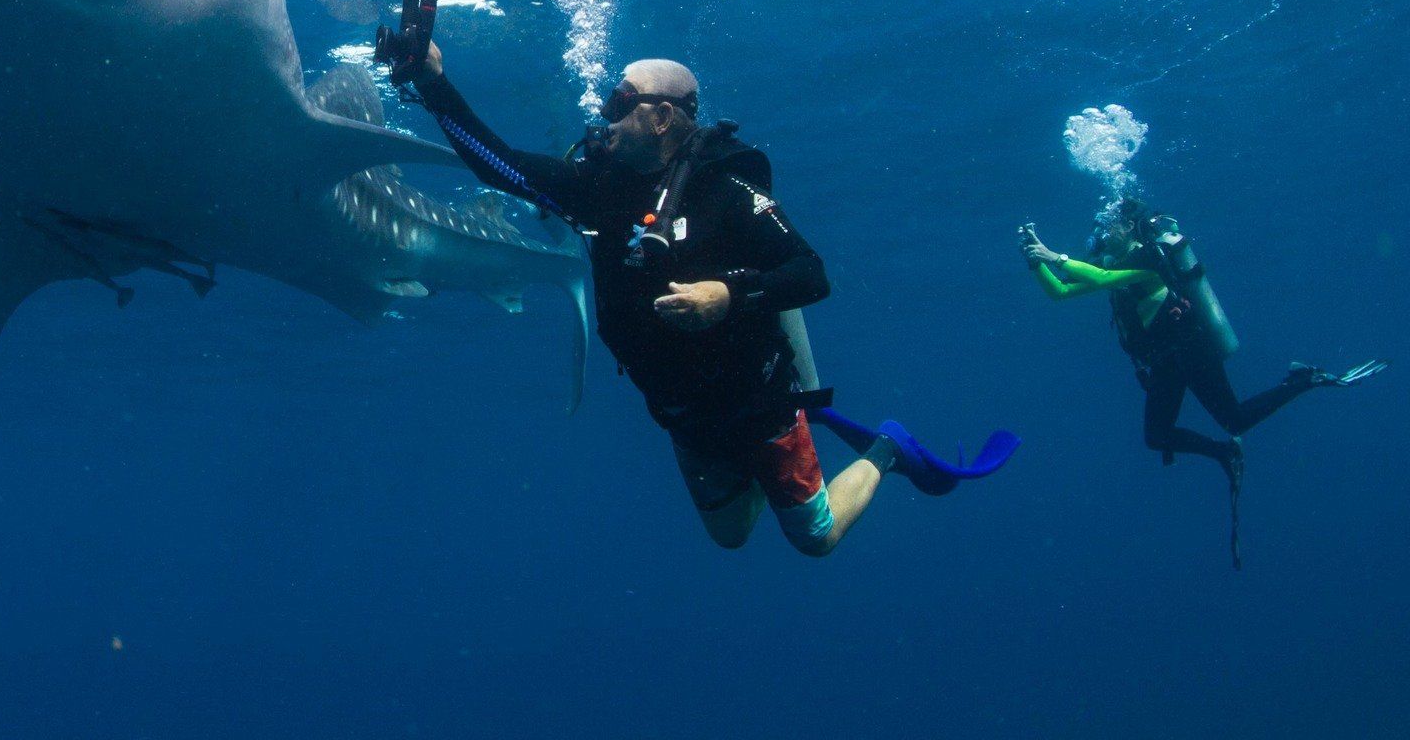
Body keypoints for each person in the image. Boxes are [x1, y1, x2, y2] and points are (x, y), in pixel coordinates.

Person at [403, 43, 1008, 555]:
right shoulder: (597, 190)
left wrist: (729, 294)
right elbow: (496, 165)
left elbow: (811, 274)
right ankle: (759, 474)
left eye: (619, 103)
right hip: (682, 415)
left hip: (758, 404)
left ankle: (886, 448)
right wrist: (434, 86)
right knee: (731, 535)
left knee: (813, 537)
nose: (604, 117)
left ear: (662, 117)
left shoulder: (726, 190)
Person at [1020, 200, 1384, 510]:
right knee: (1156, 436)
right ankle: (1223, 453)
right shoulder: (1113, 265)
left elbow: (1097, 280)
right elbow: (1062, 292)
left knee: (1235, 419)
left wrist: (1054, 255)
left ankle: (1305, 379)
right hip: (1165, 363)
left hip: (1191, 351)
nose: (1100, 233)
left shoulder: (1149, 258)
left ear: (1129, 226)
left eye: (1108, 225)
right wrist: (1037, 263)